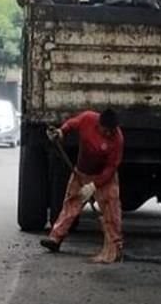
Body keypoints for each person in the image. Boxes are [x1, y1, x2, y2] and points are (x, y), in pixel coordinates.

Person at [41, 109, 124, 263]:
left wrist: (94, 185)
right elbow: (72, 125)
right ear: (99, 124)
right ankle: (55, 238)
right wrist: (61, 132)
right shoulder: (87, 119)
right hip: (82, 172)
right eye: (106, 130)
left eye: (112, 131)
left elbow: (111, 167)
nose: (109, 134)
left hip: (105, 177)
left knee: (111, 210)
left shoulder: (117, 139)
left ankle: (115, 246)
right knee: (71, 204)